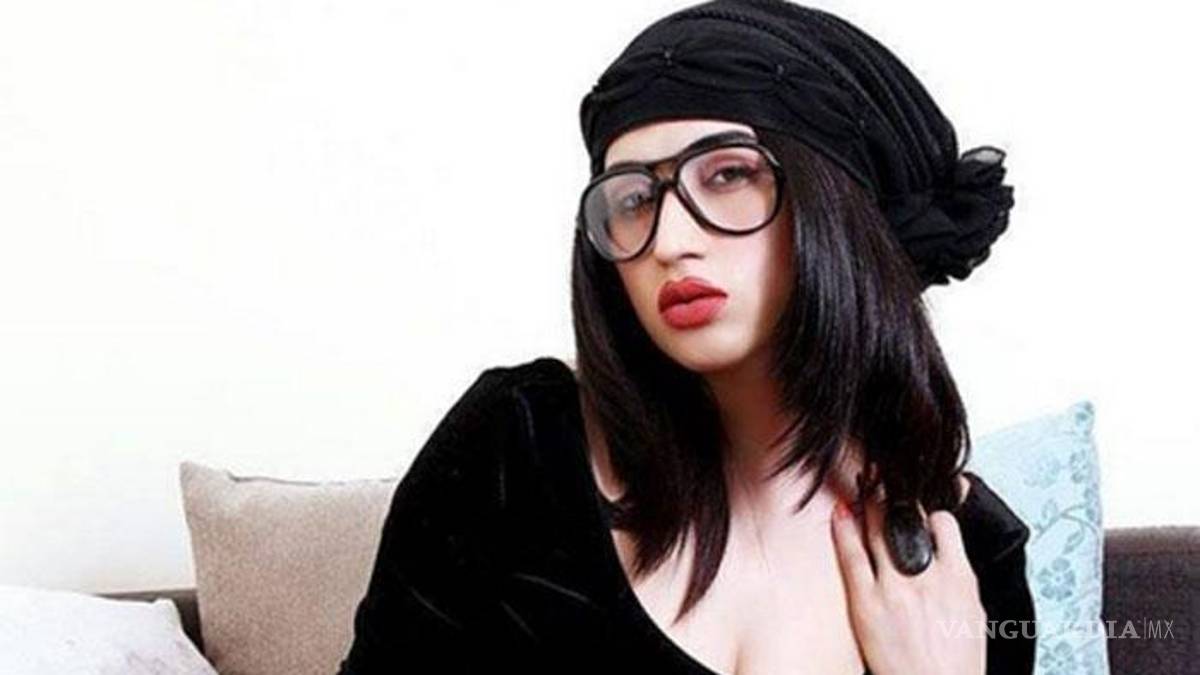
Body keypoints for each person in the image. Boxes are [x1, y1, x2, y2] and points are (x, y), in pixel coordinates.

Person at [337, 1, 1035, 673]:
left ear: (835, 204)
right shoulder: (515, 447)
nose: (669, 241)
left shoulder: (968, 553)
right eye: (633, 199)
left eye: (728, 174)